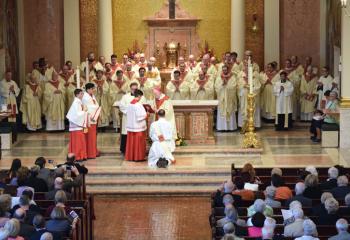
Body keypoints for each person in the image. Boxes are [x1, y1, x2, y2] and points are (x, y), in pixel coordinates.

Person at [119, 82, 145, 154]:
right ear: (130, 89)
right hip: (127, 117)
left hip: (137, 119)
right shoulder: (125, 96)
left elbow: (143, 106)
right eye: (132, 89)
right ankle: (124, 149)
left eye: (135, 89)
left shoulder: (142, 97)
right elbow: (121, 106)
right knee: (126, 133)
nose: (134, 90)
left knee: (136, 134)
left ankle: (136, 150)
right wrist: (130, 111)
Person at [125, 90, 148, 161]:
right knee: (138, 142)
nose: (141, 98)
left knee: (131, 143)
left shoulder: (130, 104)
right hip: (138, 127)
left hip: (131, 126)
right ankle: (138, 157)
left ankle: (131, 156)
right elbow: (139, 116)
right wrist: (147, 114)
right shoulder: (138, 105)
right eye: (141, 96)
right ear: (139, 96)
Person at [66, 89, 88, 161]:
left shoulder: (78, 102)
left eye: (82, 94)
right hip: (76, 126)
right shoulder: (76, 103)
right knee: (77, 142)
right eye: (81, 94)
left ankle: (81, 156)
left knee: (80, 141)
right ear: (77, 95)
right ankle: (77, 156)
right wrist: (84, 111)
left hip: (78, 125)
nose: (82, 95)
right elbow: (77, 114)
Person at [215, 65, 238, 131]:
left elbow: (234, 87)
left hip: (229, 98)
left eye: (225, 70)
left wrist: (227, 85)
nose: (224, 71)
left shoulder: (232, 77)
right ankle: (221, 127)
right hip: (222, 98)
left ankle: (231, 127)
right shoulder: (219, 77)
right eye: (223, 70)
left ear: (228, 70)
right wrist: (222, 84)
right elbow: (216, 87)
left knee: (230, 111)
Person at [82, 83, 101, 159]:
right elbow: (88, 108)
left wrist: (97, 108)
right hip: (89, 119)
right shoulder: (85, 97)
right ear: (88, 89)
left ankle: (93, 151)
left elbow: (95, 105)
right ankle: (90, 153)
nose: (94, 90)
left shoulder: (92, 96)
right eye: (92, 89)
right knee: (89, 136)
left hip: (93, 119)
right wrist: (97, 108)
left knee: (93, 136)